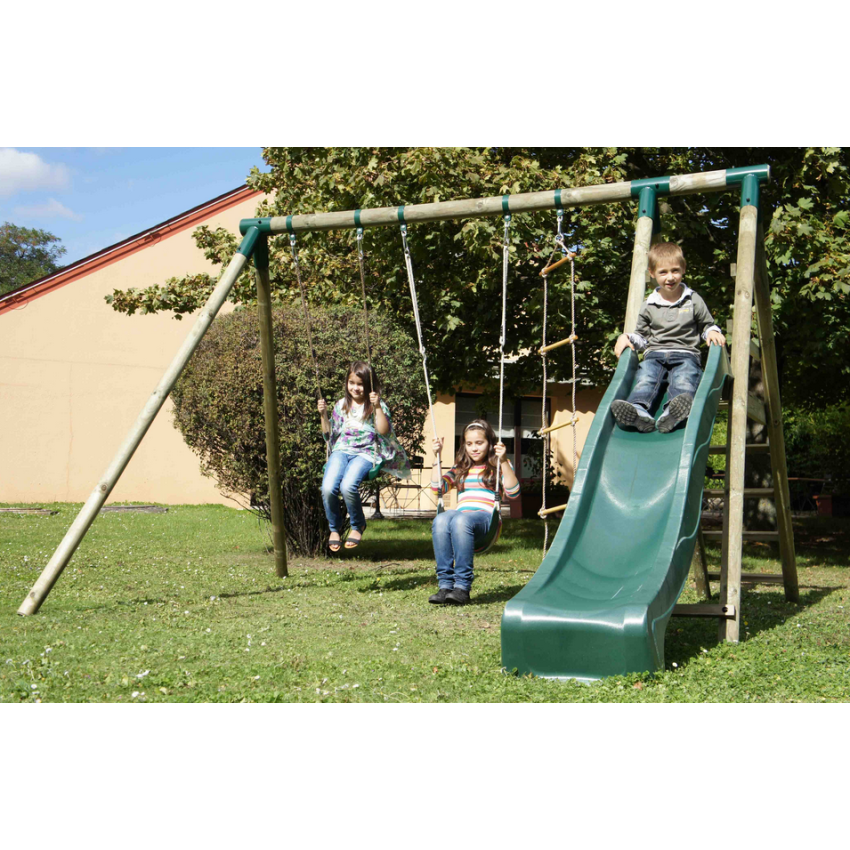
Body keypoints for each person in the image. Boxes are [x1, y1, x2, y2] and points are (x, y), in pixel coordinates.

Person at [612, 242, 726, 434]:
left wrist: (713, 332)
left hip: (686, 354)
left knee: (684, 378)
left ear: (684, 269)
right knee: (646, 377)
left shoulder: (693, 300)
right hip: (654, 354)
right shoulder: (649, 304)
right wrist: (627, 337)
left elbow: (707, 325)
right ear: (652, 273)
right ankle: (639, 411)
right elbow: (642, 336)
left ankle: (673, 412)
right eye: (663, 272)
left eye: (675, 271)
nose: (670, 277)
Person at [318, 362, 410, 551]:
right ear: (347, 383)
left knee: (347, 486)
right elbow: (329, 435)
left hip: (366, 453)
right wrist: (323, 414)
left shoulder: (376, 405)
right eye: (351, 382)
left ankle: (358, 524)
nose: (355, 388)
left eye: (360, 384)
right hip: (342, 450)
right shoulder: (341, 405)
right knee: (327, 487)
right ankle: (334, 528)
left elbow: (384, 431)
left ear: (369, 385)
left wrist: (377, 407)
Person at [428, 420, 521, 606]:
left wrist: (503, 461)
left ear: (490, 443)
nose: (474, 448)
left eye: (480, 443)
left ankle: (462, 587)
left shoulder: (499, 465)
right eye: (469, 444)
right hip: (461, 519)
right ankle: (445, 586)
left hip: (486, 519)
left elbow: (514, 493)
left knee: (461, 519)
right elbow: (437, 488)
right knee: (440, 519)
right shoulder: (460, 468)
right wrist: (435, 458)